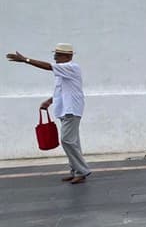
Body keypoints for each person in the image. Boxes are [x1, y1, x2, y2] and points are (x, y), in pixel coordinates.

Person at [7, 44, 92, 184]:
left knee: (67, 140)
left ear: (68, 56)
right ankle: (76, 170)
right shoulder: (62, 72)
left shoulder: (71, 67)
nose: (55, 57)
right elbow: (63, 90)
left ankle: (82, 171)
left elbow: (47, 66)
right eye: (55, 54)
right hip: (65, 109)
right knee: (73, 142)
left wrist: (25, 60)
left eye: (58, 54)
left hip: (72, 110)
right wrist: (50, 101)